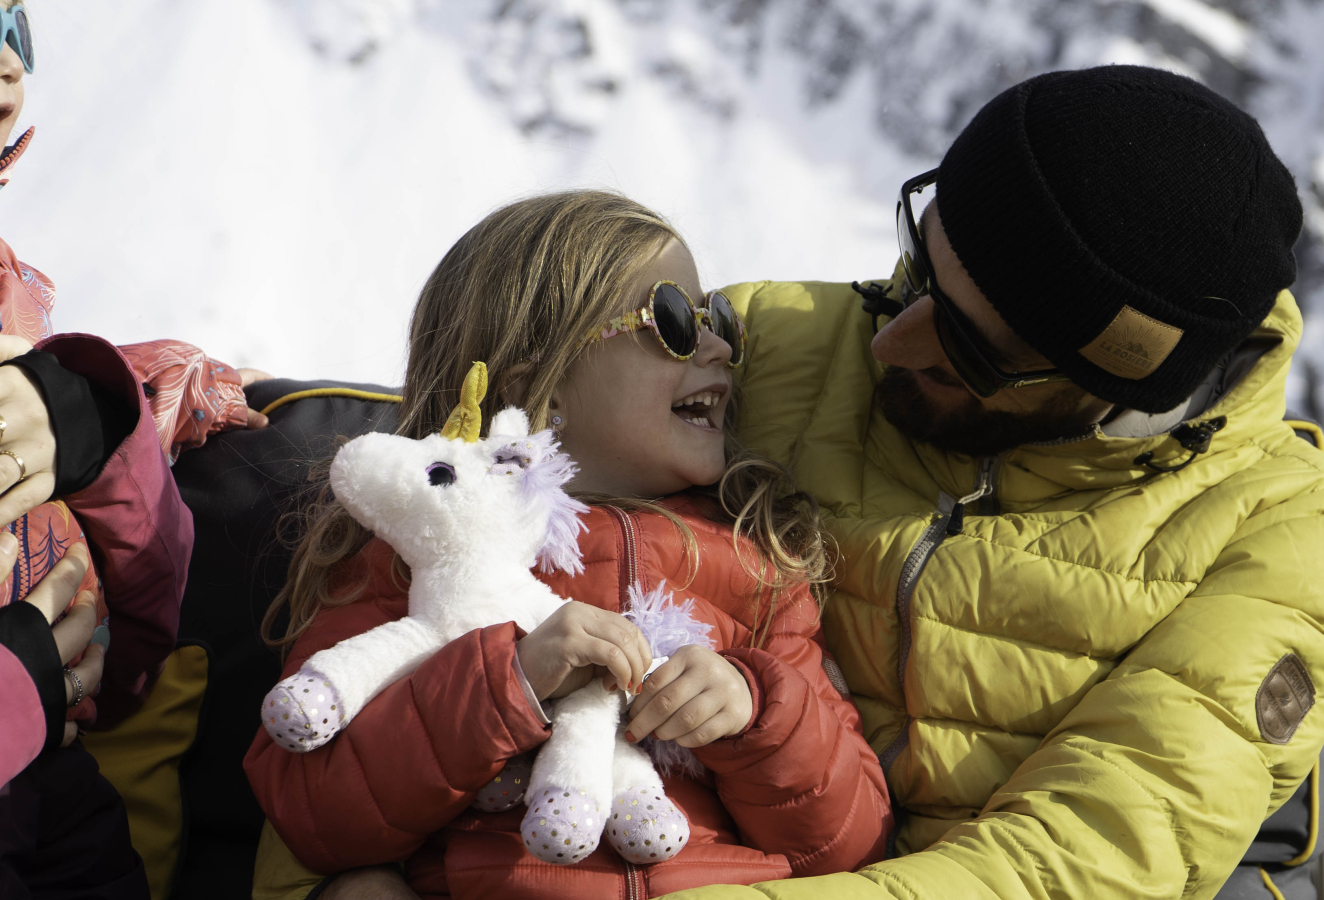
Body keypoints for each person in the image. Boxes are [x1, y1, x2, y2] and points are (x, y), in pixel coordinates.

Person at [658, 65, 1324, 899]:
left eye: (970, 351)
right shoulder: (764, 348)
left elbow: (1075, 865)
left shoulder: (1286, 529)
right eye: (917, 268)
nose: (891, 342)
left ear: (1115, 387)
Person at [244, 191, 892, 899]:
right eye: (674, 320)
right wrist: (505, 684)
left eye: (718, 322)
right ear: (539, 394)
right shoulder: (414, 547)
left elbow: (851, 839)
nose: (719, 350)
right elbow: (314, 810)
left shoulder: (756, 560)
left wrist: (756, 712)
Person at [0, 3, 265, 894]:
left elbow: (138, 623)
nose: (6, 67)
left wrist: (109, 406)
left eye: (15, 34)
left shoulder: (17, 302)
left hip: (50, 769)